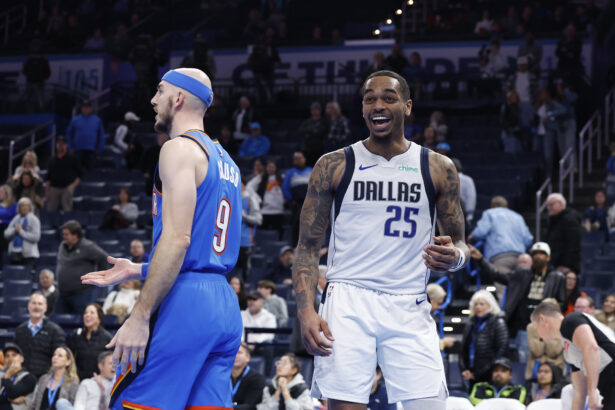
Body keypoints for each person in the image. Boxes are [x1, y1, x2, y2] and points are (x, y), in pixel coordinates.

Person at [294, 70, 469, 410]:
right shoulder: (333, 165)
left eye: (389, 98)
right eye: (369, 99)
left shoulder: (437, 167)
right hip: (348, 300)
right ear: (362, 109)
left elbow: (461, 244)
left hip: (408, 301)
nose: (378, 105)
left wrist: (456, 258)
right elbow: (307, 247)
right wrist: (306, 311)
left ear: (407, 106)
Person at [81, 68, 243, 409]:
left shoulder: (177, 149)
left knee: (135, 403)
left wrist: (140, 316)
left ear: (178, 97)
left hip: (185, 303)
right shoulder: (227, 161)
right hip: (224, 305)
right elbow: (203, 246)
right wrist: (139, 269)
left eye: (160, 91)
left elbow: (179, 239)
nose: (153, 100)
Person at [468, 242, 566, 360]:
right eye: (535, 253)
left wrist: (550, 313)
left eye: (542, 254)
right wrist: (481, 260)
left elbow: (562, 303)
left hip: (546, 325)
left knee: (548, 360)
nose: (538, 256)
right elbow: (498, 275)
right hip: (523, 325)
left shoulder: (557, 277)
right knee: (524, 358)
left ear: (548, 257)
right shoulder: (521, 274)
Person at [531, 299, 615, 410]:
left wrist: (592, 391)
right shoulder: (568, 348)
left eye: (536, 328)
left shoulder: (571, 320)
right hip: (609, 388)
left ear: (542, 319)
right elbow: (580, 392)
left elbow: (592, 349)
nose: (538, 336)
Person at [469, 196, 533, 275]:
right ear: (506, 206)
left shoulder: (489, 213)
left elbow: (480, 233)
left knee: (501, 282)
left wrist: (471, 236)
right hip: (520, 257)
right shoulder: (518, 216)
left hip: (500, 257)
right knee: (520, 282)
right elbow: (528, 240)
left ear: (492, 206)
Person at [54, 220, 108, 315]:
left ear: (75, 235)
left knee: (83, 320)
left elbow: (104, 258)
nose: (63, 237)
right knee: (57, 320)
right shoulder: (62, 245)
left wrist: (99, 277)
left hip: (82, 294)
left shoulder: (88, 246)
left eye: (66, 234)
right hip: (63, 293)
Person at [460, 290, 509, 389]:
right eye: (476, 304)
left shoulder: (498, 322)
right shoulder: (470, 323)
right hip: (471, 374)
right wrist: (464, 369)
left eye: (482, 304)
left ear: (490, 305)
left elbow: (502, 350)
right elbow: (463, 350)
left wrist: (482, 372)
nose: (478, 307)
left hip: (490, 376)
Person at [13, 292, 66, 378]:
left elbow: (60, 359)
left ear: (45, 308)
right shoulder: (20, 330)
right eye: (34, 303)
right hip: (22, 377)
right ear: (28, 306)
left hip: (46, 378)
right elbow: (15, 356)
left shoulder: (56, 331)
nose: (36, 307)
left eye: (40, 304)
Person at [67, 304, 112, 381]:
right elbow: (69, 356)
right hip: (77, 379)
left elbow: (111, 362)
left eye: (92, 313)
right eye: (85, 313)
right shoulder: (76, 335)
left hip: (98, 380)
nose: (87, 315)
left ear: (99, 318)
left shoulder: (107, 338)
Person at [535, 89, 567, 178]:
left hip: (548, 132)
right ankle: (539, 177)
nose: (542, 96)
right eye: (541, 94)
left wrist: (551, 114)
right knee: (537, 155)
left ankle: (548, 177)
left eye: (544, 94)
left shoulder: (552, 104)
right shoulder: (536, 105)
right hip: (537, 133)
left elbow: (563, 110)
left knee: (548, 156)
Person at [546, 193, 581, 273]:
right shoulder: (554, 220)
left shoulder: (570, 219)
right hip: (554, 263)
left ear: (560, 204)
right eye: (548, 205)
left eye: (551, 205)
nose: (549, 208)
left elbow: (573, 244)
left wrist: (567, 264)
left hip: (565, 267)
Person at [282, 152, 312, 246]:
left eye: (300, 158)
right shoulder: (290, 172)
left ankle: (309, 245)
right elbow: (285, 188)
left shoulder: (311, 170)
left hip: (310, 202)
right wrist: (290, 200)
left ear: (304, 159)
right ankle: (295, 245)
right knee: (297, 223)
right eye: (296, 159)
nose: (298, 160)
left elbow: (317, 185)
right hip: (296, 203)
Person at [45, 136, 82, 212]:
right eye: (59, 143)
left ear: (66, 145)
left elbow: (80, 174)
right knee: (50, 211)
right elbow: (48, 177)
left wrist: (72, 186)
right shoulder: (52, 160)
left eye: (63, 143)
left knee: (67, 210)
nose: (60, 145)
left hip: (67, 188)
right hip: (54, 188)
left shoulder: (72, 158)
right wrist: (47, 191)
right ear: (56, 145)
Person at [65, 100, 105, 169]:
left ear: (91, 108)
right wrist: (70, 147)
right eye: (84, 107)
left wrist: (99, 148)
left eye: (88, 107)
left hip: (92, 151)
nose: (86, 109)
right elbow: (68, 135)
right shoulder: (75, 120)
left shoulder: (97, 120)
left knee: (91, 171)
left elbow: (101, 136)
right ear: (81, 108)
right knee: (77, 170)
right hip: (78, 150)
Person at [253, 160, 285, 240]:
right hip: (265, 211)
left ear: (276, 168)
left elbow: (286, 190)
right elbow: (249, 187)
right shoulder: (261, 178)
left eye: (272, 167)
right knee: (262, 235)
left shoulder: (282, 178)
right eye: (269, 167)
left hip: (278, 211)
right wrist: (257, 199)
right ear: (266, 168)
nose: (270, 169)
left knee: (279, 235)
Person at [4, 197, 41, 266]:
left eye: (26, 206)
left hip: (29, 255)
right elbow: (6, 234)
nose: (24, 208)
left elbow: (36, 237)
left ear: (30, 207)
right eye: (22, 206)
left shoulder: (34, 220)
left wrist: (21, 232)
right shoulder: (16, 218)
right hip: (15, 252)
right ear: (19, 208)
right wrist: (14, 230)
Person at [238, 177, 263, 281]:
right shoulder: (232, 199)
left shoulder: (250, 200)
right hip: (231, 241)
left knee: (245, 273)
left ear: (244, 185)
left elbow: (258, 220)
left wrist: (245, 217)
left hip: (245, 242)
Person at [0, 343, 37, 410]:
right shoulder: (1, 375)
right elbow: (10, 397)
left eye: (14, 355)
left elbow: (12, 393)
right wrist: (9, 399)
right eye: (7, 356)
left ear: (22, 359)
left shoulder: (29, 377)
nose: (10, 358)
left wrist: (7, 377)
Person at [231, 343, 266, 410]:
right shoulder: (221, 377)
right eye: (233, 352)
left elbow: (250, 406)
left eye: (239, 352)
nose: (235, 355)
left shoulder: (257, 379)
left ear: (248, 357)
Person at [507, 56, 538, 129]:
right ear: (518, 65)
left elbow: (536, 90)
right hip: (515, 103)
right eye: (520, 65)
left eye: (524, 65)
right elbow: (507, 90)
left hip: (528, 102)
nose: (522, 66)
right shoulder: (512, 77)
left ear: (527, 65)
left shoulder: (532, 77)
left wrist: (534, 102)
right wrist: (511, 101)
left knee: (527, 123)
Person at [298, 102, 328, 166]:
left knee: (318, 167)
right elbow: (301, 131)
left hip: (319, 149)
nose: (314, 111)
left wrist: (310, 131)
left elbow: (321, 132)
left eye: (316, 109)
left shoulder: (324, 121)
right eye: (313, 109)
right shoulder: (307, 121)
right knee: (308, 167)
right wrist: (313, 130)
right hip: (307, 149)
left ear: (320, 110)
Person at [452, 159, 476, 227]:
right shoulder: (468, 180)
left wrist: (468, 215)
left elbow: (471, 197)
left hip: (463, 214)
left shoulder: (467, 180)